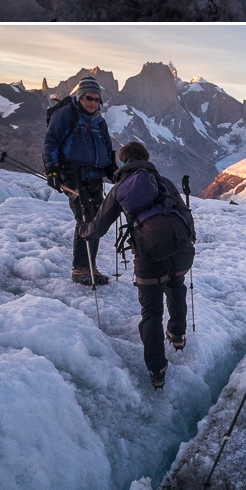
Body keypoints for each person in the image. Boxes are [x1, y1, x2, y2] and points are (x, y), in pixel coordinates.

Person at [82, 141, 195, 390]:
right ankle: (178, 335)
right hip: (182, 252)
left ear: (122, 163)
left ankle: (157, 369)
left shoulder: (120, 188)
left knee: (151, 312)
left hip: (149, 257)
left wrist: (84, 230)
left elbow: (99, 226)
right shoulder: (164, 182)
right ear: (146, 158)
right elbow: (185, 213)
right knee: (176, 286)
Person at [43, 78, 117, 285]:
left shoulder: (99, 122)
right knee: (86, 218)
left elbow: (107, 149)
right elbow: (51, 142)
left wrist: (113, 170)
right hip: (73, 175)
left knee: (97, 220)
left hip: (94, 177)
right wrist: (52, 170)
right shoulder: (65, 115)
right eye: (89, 98)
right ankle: (81, 269)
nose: (93, 103)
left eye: (97, 99)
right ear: (80, 96)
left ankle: (89, 267)